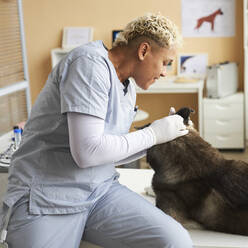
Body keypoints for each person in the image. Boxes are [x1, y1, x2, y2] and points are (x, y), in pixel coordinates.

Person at [0, 13, 193, 248]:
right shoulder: (88, 65)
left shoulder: (127, 86)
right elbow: (88, 152)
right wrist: (152, 133)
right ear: (144, 51)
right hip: (47, 196)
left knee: (175, 242)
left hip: (98, 192)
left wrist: (165, 137)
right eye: (166, 63)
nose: (165, 72)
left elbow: (109, 149)